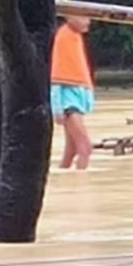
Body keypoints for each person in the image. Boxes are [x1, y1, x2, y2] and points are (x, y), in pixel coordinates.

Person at [50, 16, 95, 170]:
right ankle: (82, 180)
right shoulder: (63, 37)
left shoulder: (75, 37)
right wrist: (57, 108)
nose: (88, 21)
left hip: (76, 98)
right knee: (85, 147)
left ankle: (63, 176)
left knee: (71, 150)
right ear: (70, 18)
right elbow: (56, 75)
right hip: (68, 102)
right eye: (83, 17)